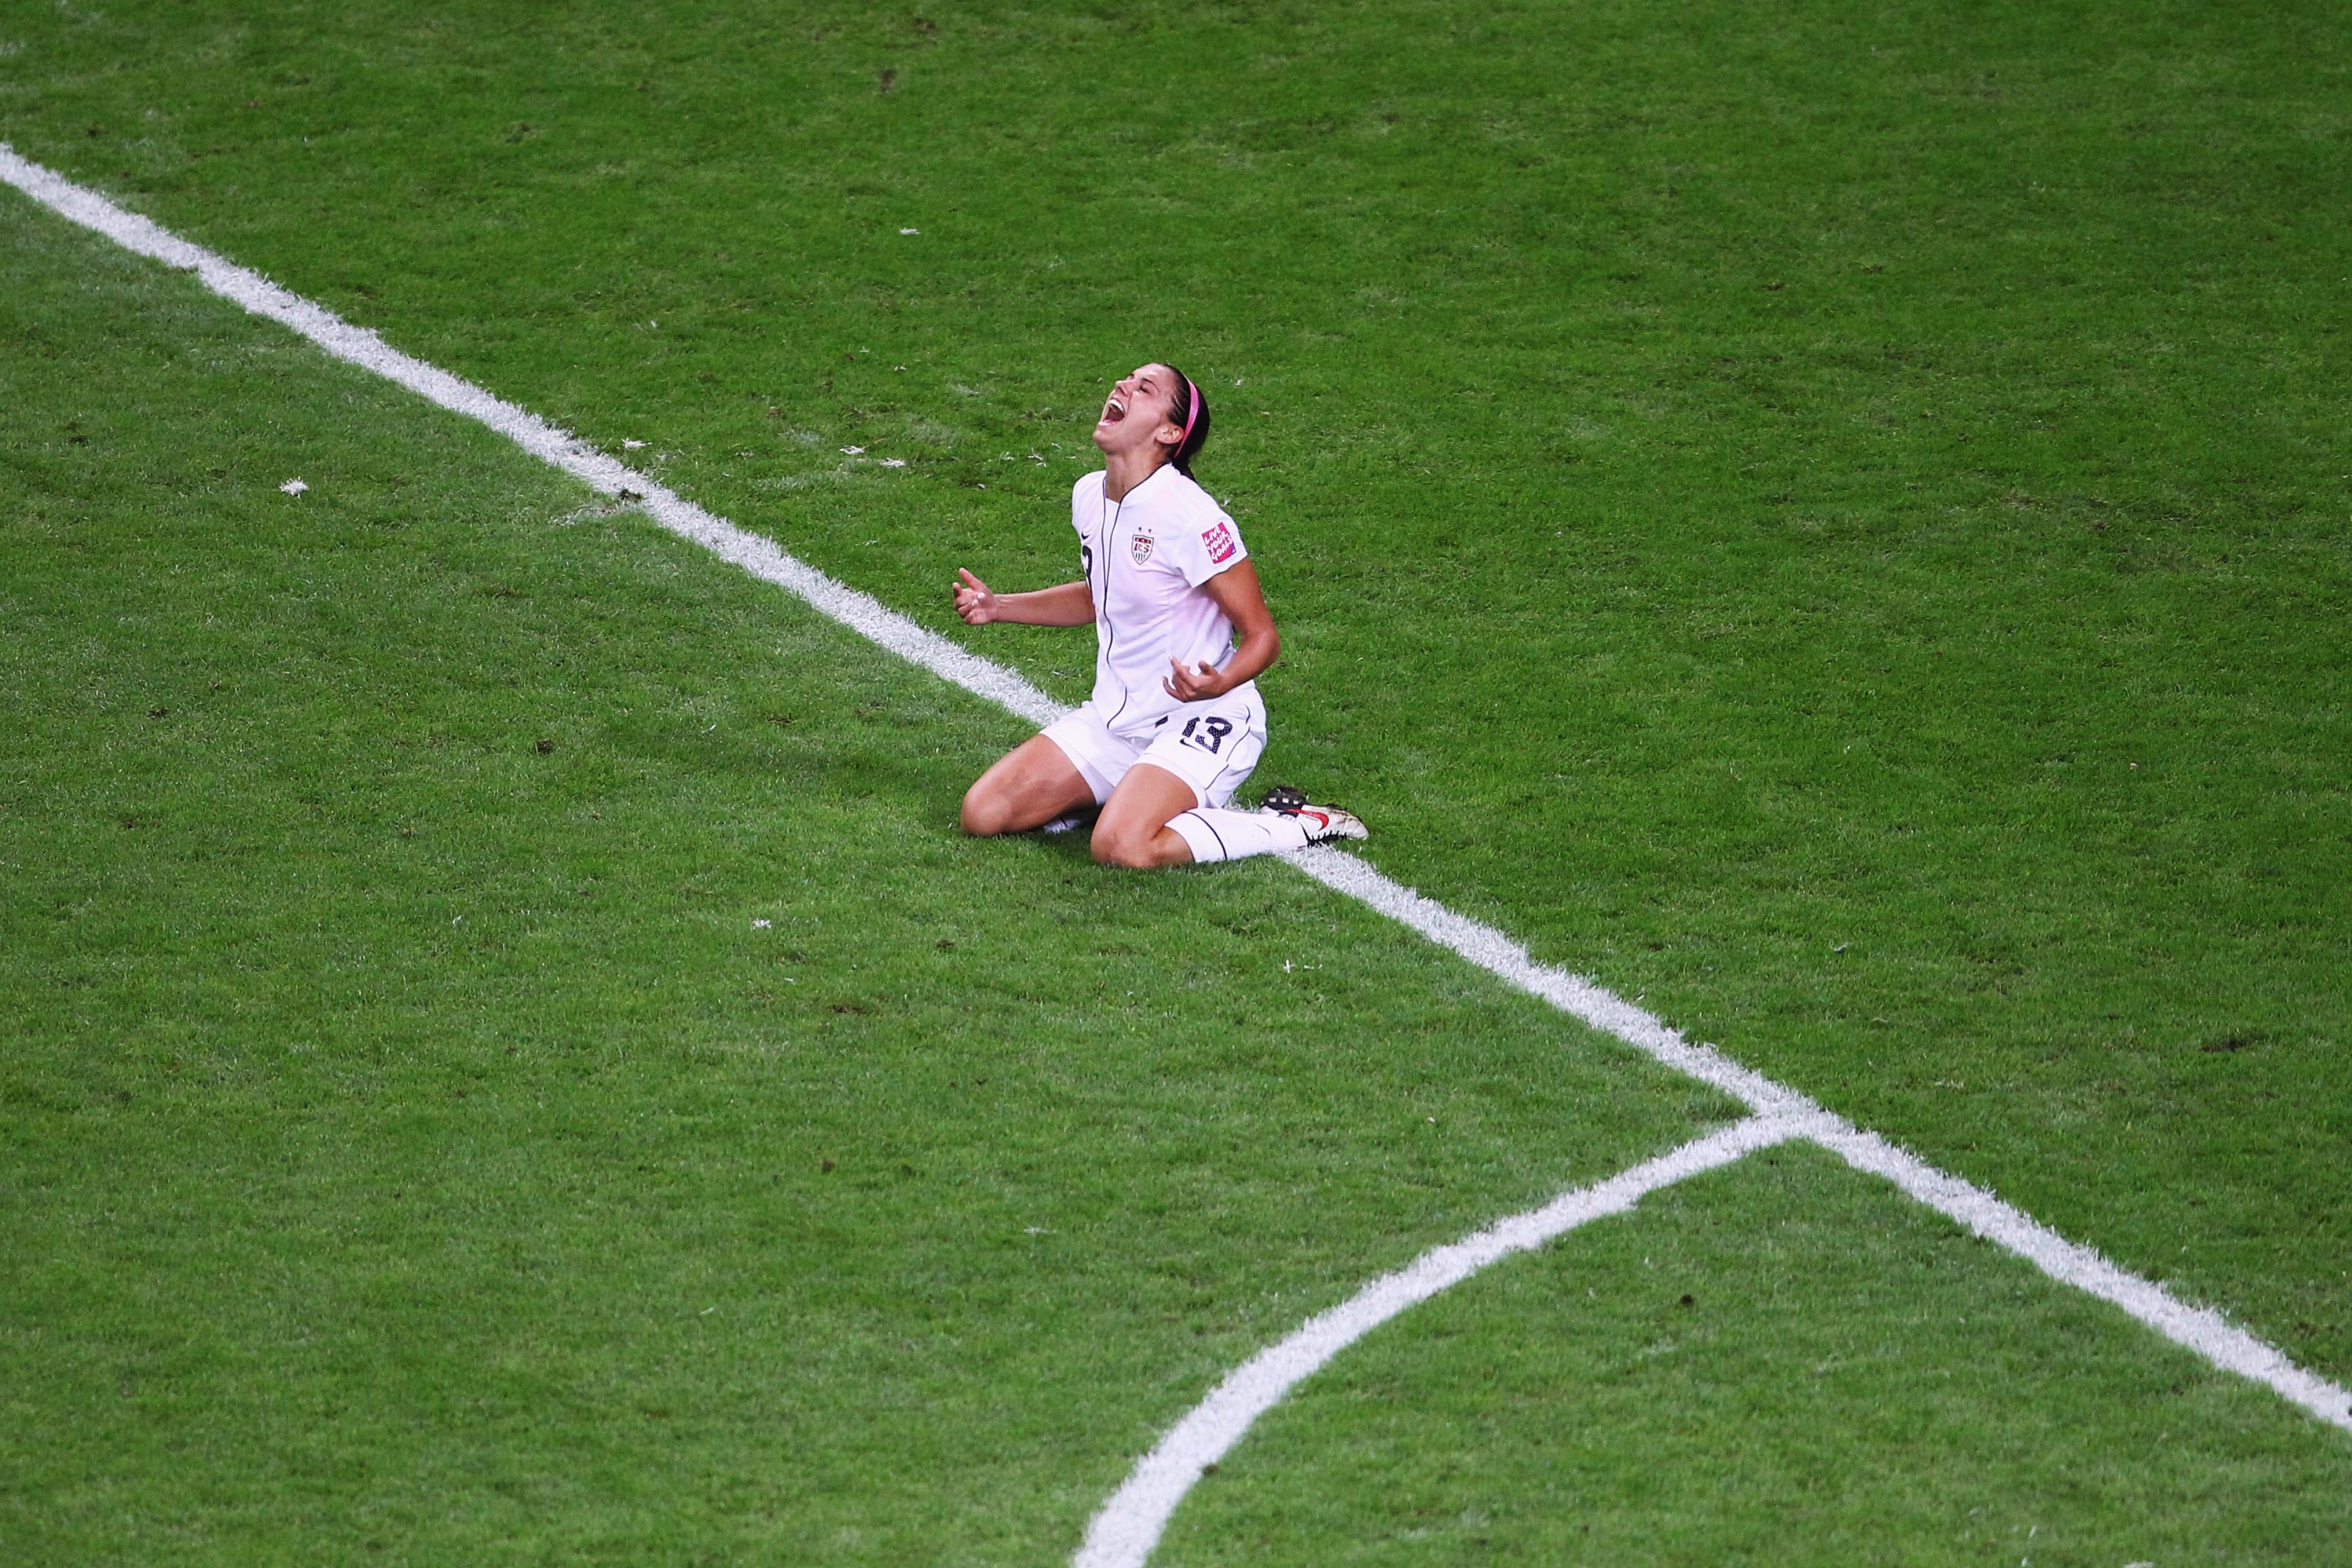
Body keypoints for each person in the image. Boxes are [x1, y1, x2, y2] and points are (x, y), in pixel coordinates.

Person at [953, 362, 1365, 868]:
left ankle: (1295, 824)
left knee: (1121, 847)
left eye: (1145, 388)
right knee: (984, 812)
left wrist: (1219, 684)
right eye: (1126, 379)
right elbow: (1102, 595)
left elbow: (1263, 635)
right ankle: (1118, 793)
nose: (1123, 386)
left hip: (1202, 718)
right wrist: (1001, 608)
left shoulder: (1191, 517)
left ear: (1170, 432)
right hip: (1115, 721)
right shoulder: (1090, 495)